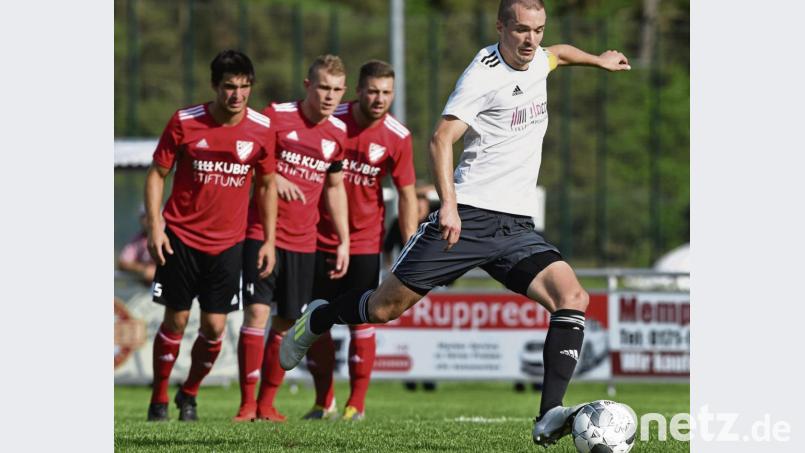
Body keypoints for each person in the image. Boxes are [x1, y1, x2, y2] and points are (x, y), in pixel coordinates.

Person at [280, 0, 630, 446]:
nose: (531, 40)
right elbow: (441, 137)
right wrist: (448, 205)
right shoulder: (483, 75)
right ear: (500, 27)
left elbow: (558, 53)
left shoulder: (538, 57)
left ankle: (548, 416)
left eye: (538, 29)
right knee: (384, 309)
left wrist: (598, 60)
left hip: (515, 226)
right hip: (468, 217)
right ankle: (320, 316)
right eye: (521, 30)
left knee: (572, 297)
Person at [144, 50, 277, 422]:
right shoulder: (185, 121)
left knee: (215, 326)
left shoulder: (262, 128)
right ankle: (157, 399)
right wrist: (156, 225)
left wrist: (268, 239)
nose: (237, 95)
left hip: (228, 243)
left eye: (244, 87)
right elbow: (157, 174)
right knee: (175, 320)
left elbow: (266, 185)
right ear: (215, 87)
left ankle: (188, 394)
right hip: (181, 237)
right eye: (229, 87)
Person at [294, 60, 418, 421]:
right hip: (317, 236)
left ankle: (356, 406)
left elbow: (407, 193)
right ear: (359, 91)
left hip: (365, 240)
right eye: (373, 91)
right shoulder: (333, 122)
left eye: (387, 93)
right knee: (316, 318)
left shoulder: (398, 136)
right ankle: (324, 402)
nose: (380, 99)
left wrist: (409, 245)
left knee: (362, 320)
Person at [233, 55, 349, 422]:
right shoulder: (276, 116)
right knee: (256, 313)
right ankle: (246, 404)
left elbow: (335, 187)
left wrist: (343, 239)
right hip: (262, 233)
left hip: (304, 241)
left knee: (284, 324)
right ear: (307, 86)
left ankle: (267, 404)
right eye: (323, 88)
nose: (329, 96)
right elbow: (247, 157)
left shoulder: (338, 134)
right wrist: (272, 177)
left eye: (336, 90)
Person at [117, 205, 157, 286]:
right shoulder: (138, 239)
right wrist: (143, 269)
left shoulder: (169, 235)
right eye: (144, 216)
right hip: (146, 289)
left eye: (150, 216)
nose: (146, 220)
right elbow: (122, 262)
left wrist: (156, 272)